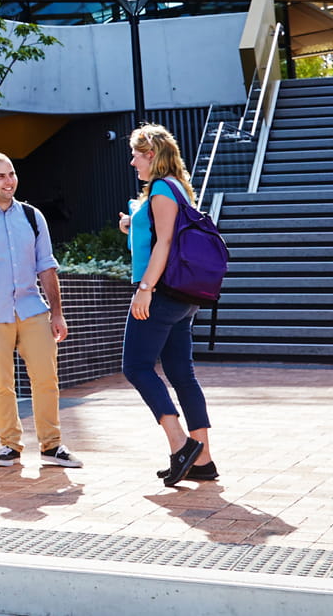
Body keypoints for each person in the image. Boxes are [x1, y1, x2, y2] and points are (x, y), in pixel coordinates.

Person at [0, 152, 82, 470]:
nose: (9, 181)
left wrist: (57, 313)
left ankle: (52, 446)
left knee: (46, 378)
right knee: (0, 382)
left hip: (31, 309)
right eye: (0, 176)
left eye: (11, 174)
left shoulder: (33, 217)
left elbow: (46, 266)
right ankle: (9, 445)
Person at [122, 124, 217, 487]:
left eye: (136, 155)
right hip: (182, 296)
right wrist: (131, 224)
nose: (133, 162)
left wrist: (145, 289)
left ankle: (181, 446)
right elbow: (162, 235)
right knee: (181, 374)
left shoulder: (162, 189)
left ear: (151, 155)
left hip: (161, 293)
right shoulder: (177, 187)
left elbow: (163, 244)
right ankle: (203, 460)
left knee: (136, 367)